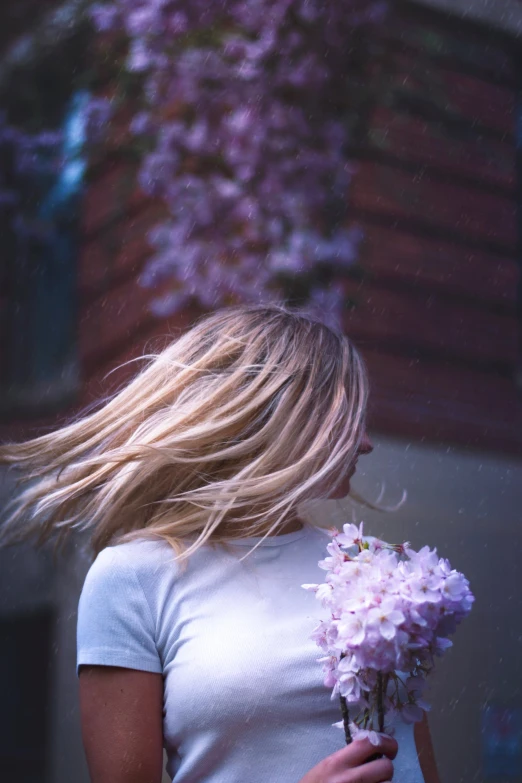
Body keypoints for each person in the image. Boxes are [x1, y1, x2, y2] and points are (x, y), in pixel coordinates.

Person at [0, 303, 440, 783]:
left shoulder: (372, 564)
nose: (365, 443)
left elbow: (415, 755)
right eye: (348, 418)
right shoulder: (132, 579)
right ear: (280, 415)